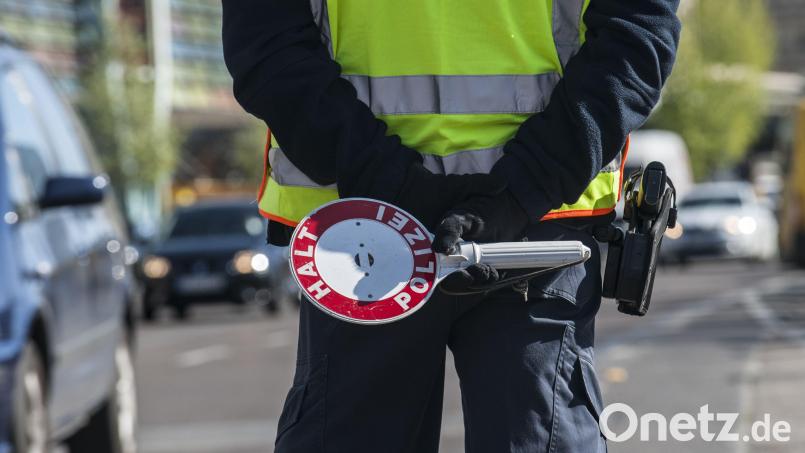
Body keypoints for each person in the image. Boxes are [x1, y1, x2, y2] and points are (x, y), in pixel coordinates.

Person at [223, 1, 680, 451]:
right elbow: (634, 35)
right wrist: (521, 190)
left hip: (365, 234)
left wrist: (388, 178)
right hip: (529, 232)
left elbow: (268, 43)